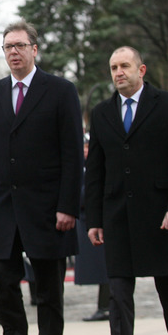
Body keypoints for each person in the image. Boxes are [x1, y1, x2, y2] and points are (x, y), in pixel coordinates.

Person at [0, 21, 83, 335]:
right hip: (2, 207)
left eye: (19, 45)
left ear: (35, 49)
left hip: (48, 209)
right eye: (7, 47)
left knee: (49, 289)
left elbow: (71, 155)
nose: (13, 52)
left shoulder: (61, 91)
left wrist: (69, 205)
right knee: (1, 282)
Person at [85, 46, 168, 335]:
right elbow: (96, 171)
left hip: (162, 217)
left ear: (141, 69)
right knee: (118, 297)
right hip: (118, 218)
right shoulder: (102, 113)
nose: (119, 72)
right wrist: (94, 219)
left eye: (125, 66)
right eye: (114, 67)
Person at [74, 134, 110, 322]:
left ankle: (106, 306)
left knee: (106, 268)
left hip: (99, 219)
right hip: (87, 218)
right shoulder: (82, 167)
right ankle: (106, 305)